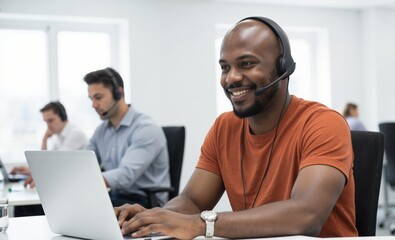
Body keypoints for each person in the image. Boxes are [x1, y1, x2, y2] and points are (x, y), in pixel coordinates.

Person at [115, 16, 356, 239]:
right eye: (225, 67)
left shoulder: (323, 123)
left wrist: (201, 225)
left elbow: (306, 216)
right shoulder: (224, 127)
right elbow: (192, 201)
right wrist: (154, 220)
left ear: (283, 68)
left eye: (247, 64)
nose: (231, 78)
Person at [84, 67, 170, 208]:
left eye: (98, 97)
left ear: (119, 93)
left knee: (85, 207)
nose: (94, 105)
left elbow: (126, 175)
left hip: (145, 202)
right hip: (116, 196)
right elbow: (83, 162)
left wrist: (87, 180)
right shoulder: (101, 131)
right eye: (91, 99)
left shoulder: (145, 128)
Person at [11, 101, 88, 217]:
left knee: (27, 207)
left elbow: (55, 165)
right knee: (24, 207)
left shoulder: (74, 134)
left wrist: (34, 172)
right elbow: (46, 163)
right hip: (64, 186)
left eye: (51, 120)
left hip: (77, 189)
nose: (48, 126)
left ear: (62, 116)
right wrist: (44, 139)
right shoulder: (59, 137)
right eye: (46, 122)